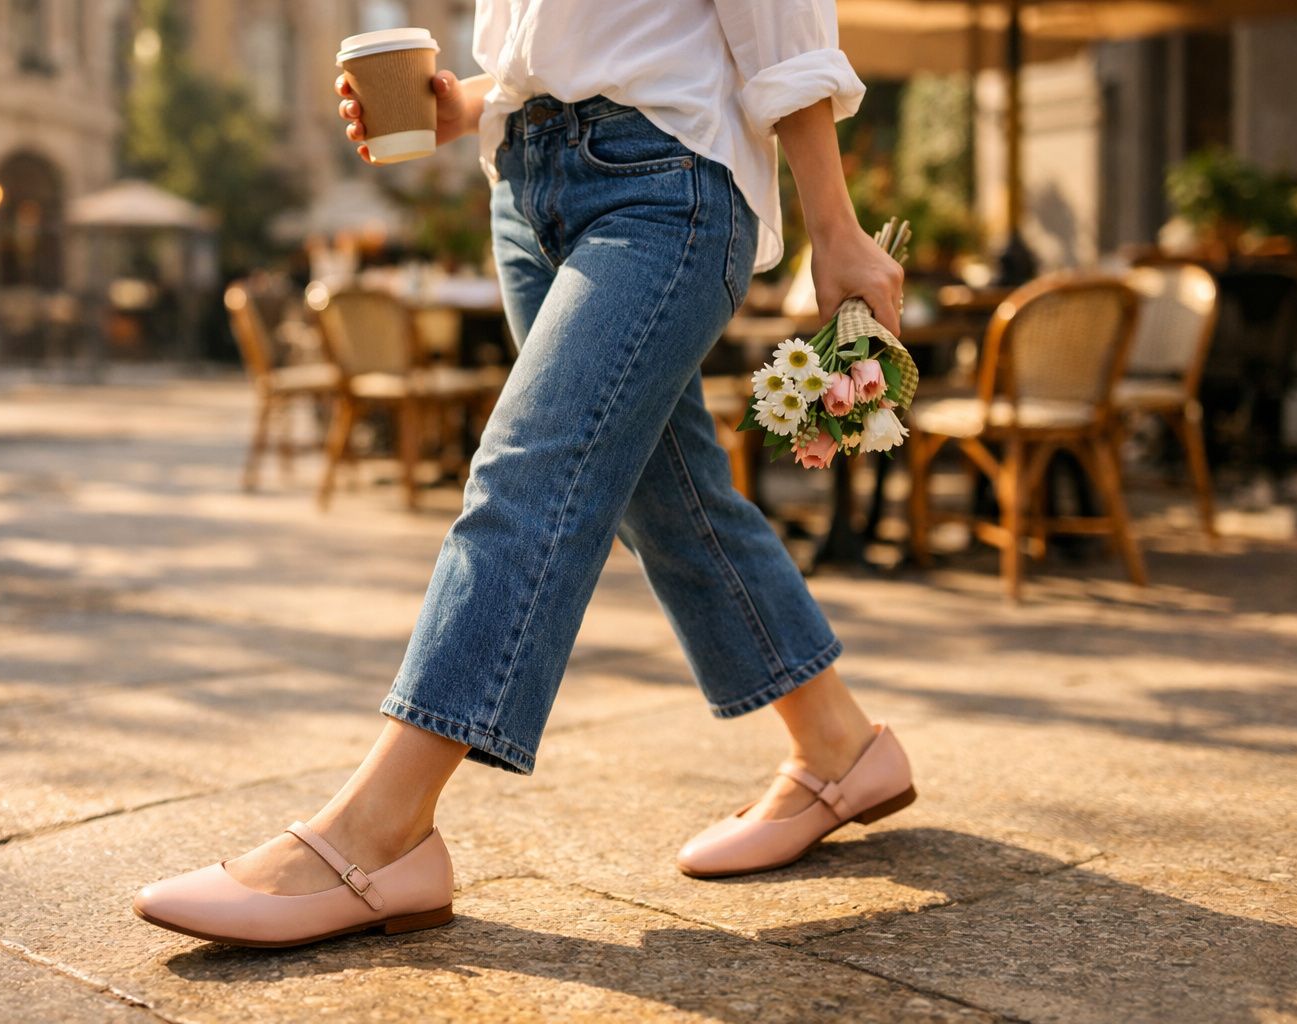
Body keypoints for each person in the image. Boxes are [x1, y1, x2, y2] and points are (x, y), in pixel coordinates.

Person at [133, 0, 913, 947]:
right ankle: (840, 745)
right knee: (667, 495)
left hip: (665, 182)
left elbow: (779, 22)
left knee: (530, 479)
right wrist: (470, 102)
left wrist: (834, 223)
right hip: (523, 186)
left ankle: (382, 832)